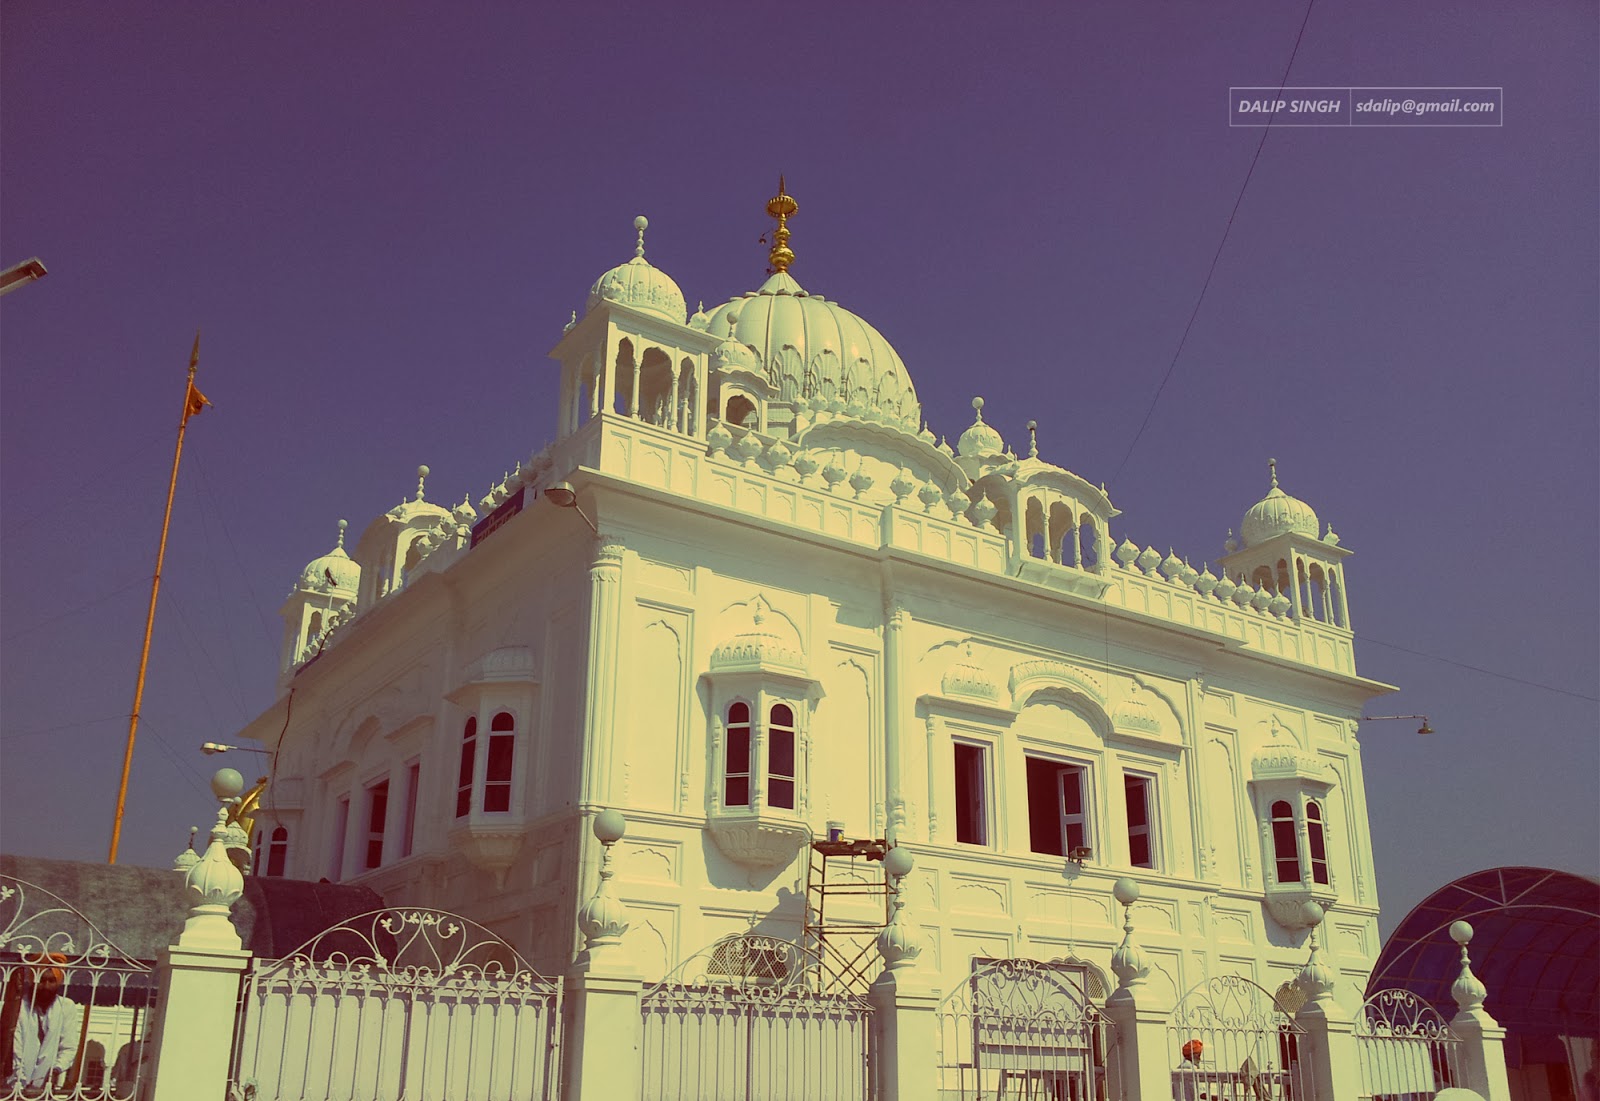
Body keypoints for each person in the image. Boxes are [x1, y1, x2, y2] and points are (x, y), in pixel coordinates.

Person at [5, 955, 79, 1095]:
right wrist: (19, 1080)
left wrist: (56, 1069)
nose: (46, 986)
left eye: (51, 981)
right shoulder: (20, 1006)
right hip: (13, 1085)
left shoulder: (66, 1007)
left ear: (58, 983)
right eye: (42, 980)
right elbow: (15, 1047)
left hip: (45, 1086)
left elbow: (69, 1047)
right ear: (34, 980)